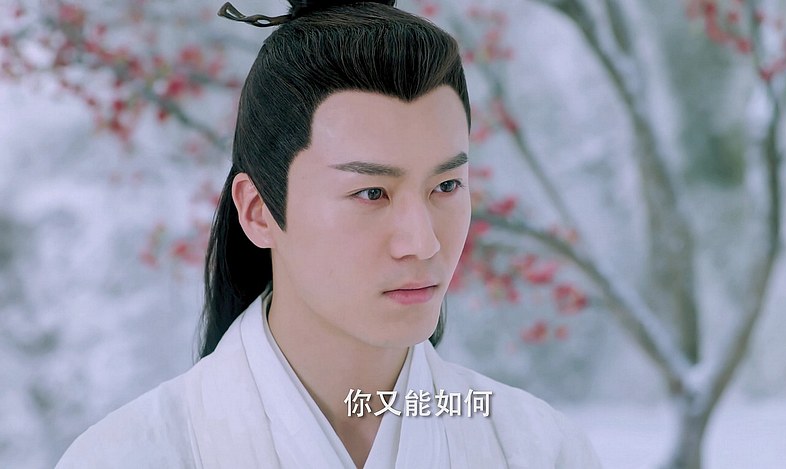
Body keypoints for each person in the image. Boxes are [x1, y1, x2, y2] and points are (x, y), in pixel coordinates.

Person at [56, 1, 600, 467]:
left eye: (446, 186)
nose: (423, 243)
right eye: (371, 193)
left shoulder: (537, 448)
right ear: (258, 211)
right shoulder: (128, 456)